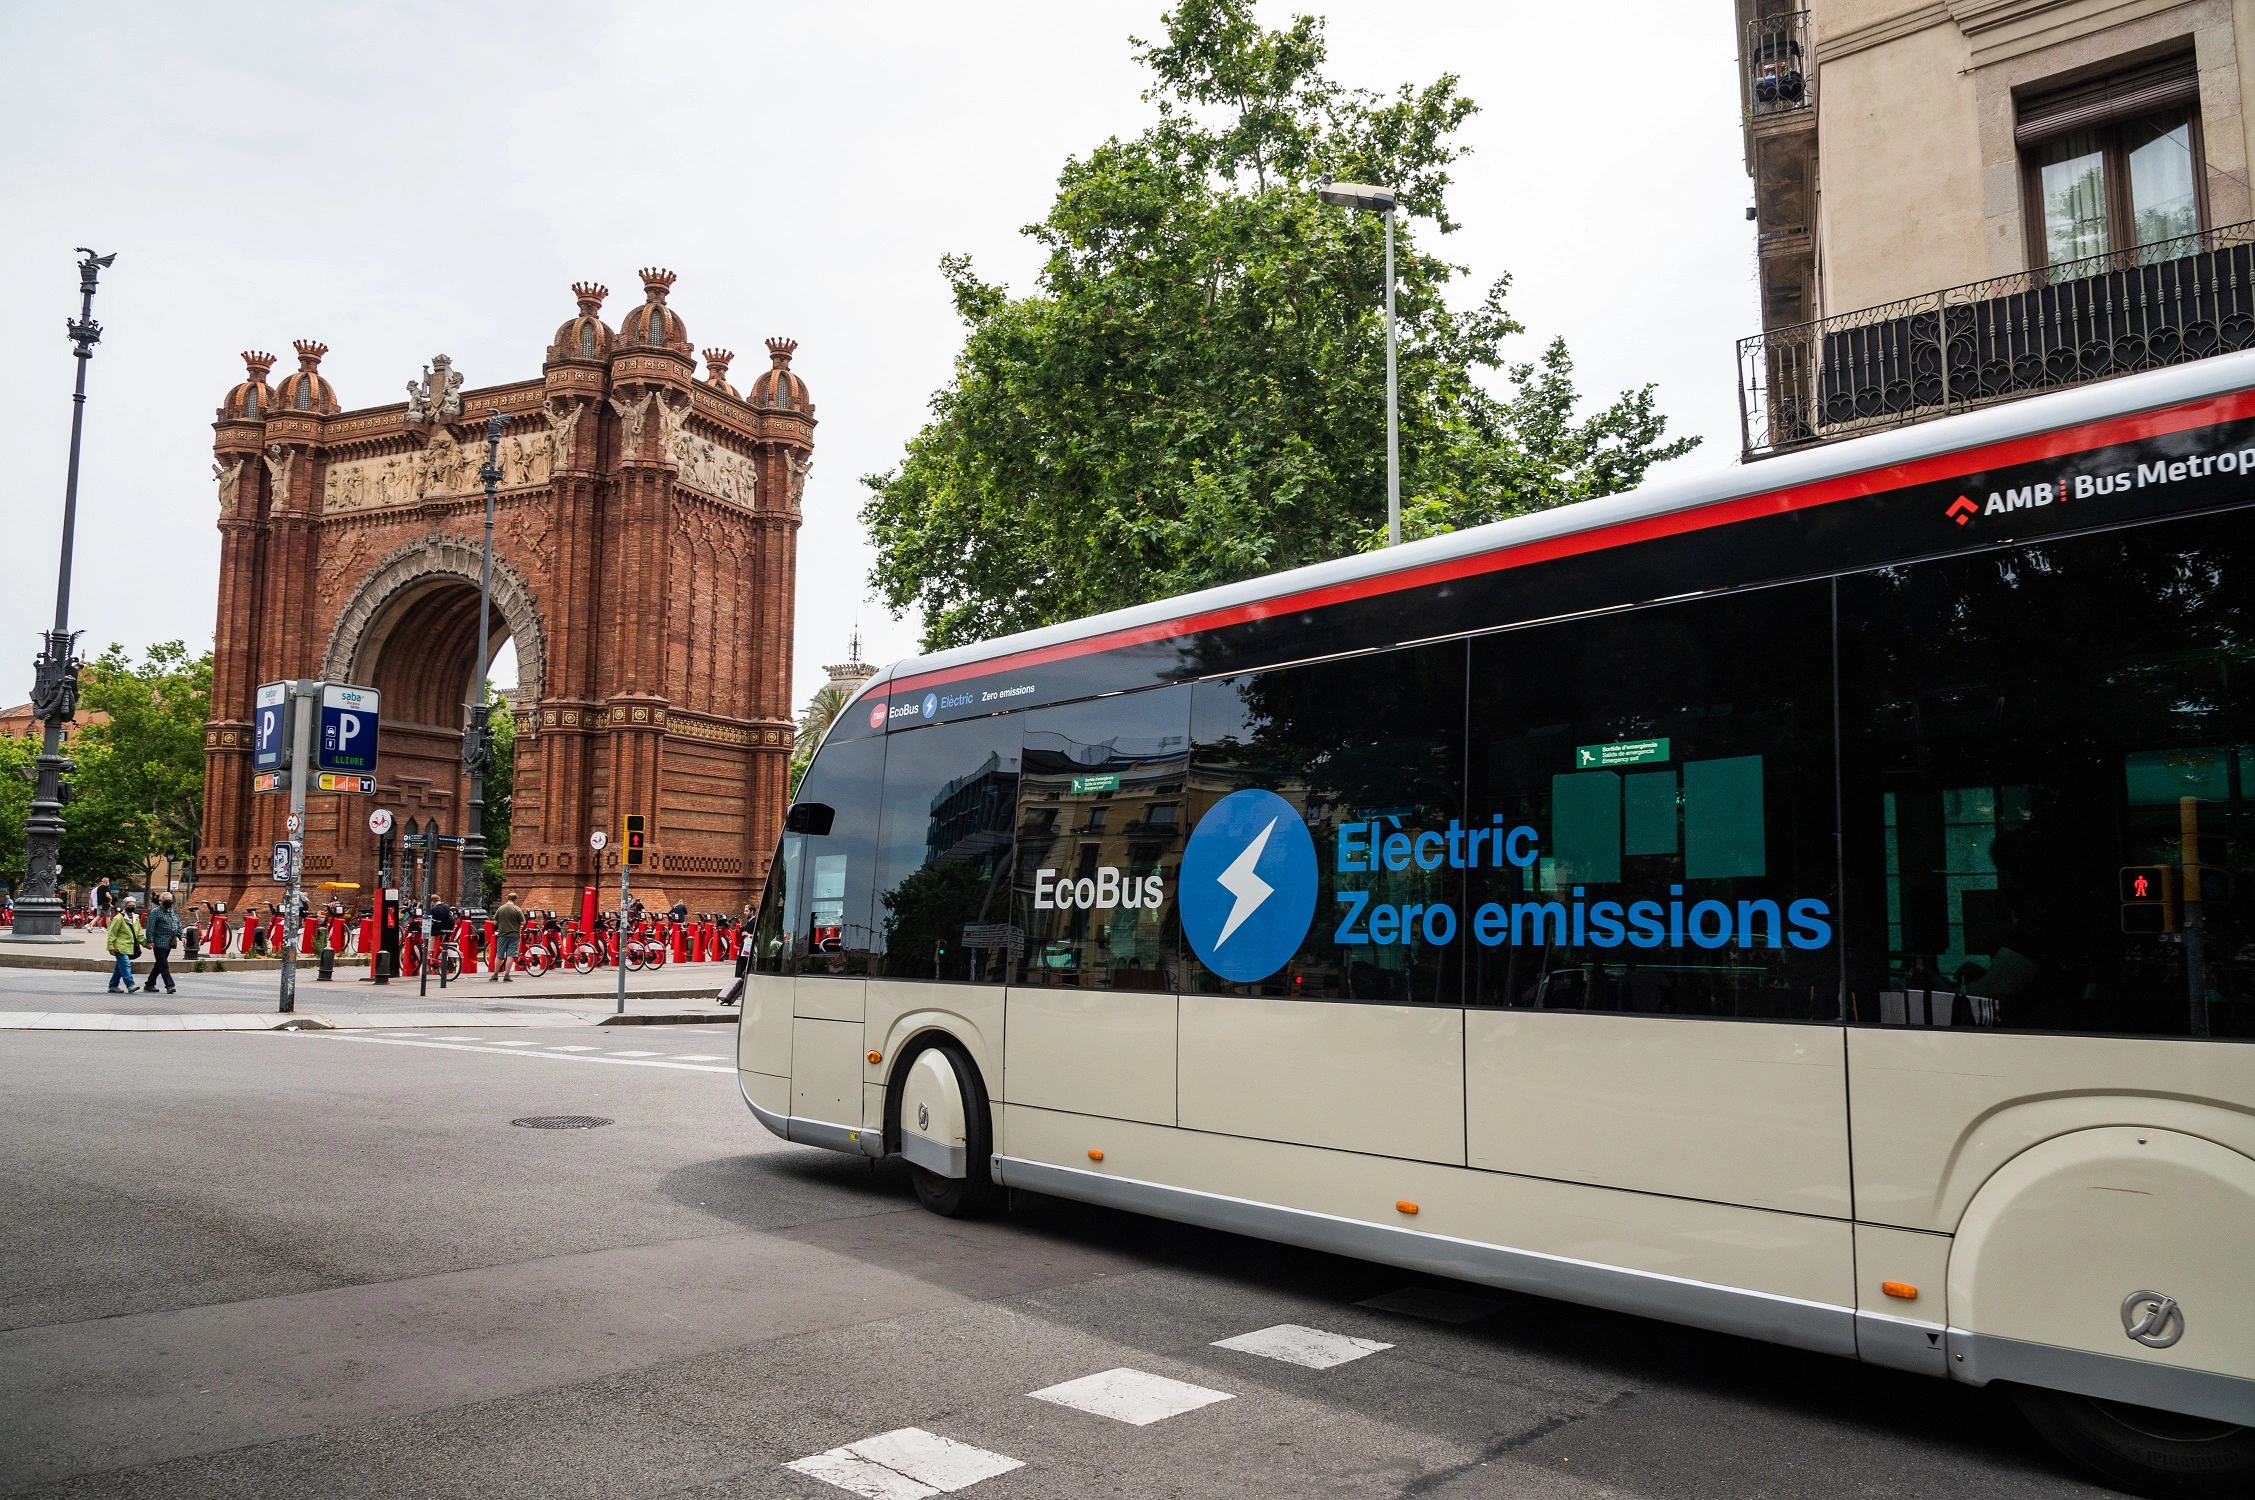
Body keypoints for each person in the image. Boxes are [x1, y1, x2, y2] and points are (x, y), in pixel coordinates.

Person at [145, 894, 182, 995]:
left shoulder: (172, 912)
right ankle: (170, 985)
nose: (168, 902)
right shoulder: (155, 912)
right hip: (159, 942)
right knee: (163, 964)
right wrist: (150, 940)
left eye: (170, 900)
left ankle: (149, 983)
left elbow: (177, 924)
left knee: (159, 964)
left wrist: (181, 936)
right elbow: (150, 927)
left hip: (169, 942)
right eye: (166, 900)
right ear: (160, 901)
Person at [105, 897, 142, 994]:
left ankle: (113, 985)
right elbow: (112, 933)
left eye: (133, 905)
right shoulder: (119, 918)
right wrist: (110, 946)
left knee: (119, 967)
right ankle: (130, 984)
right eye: (129, 906)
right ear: (124, 906)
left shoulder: (136, 918)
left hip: (129, 947)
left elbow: (138, 933)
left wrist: (145, 943)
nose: (132, 907)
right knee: (125, 965)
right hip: (120, 947)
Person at [491, 892, 524, 982]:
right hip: (514, 935)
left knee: (499, 955)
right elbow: (523, 922)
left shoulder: (500, 909)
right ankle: (506, 975)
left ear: (507, 898)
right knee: (510, 955)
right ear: (515, 900)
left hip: (502, 934)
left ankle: (495, 974)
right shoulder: (517, 909)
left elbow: (495, 922)